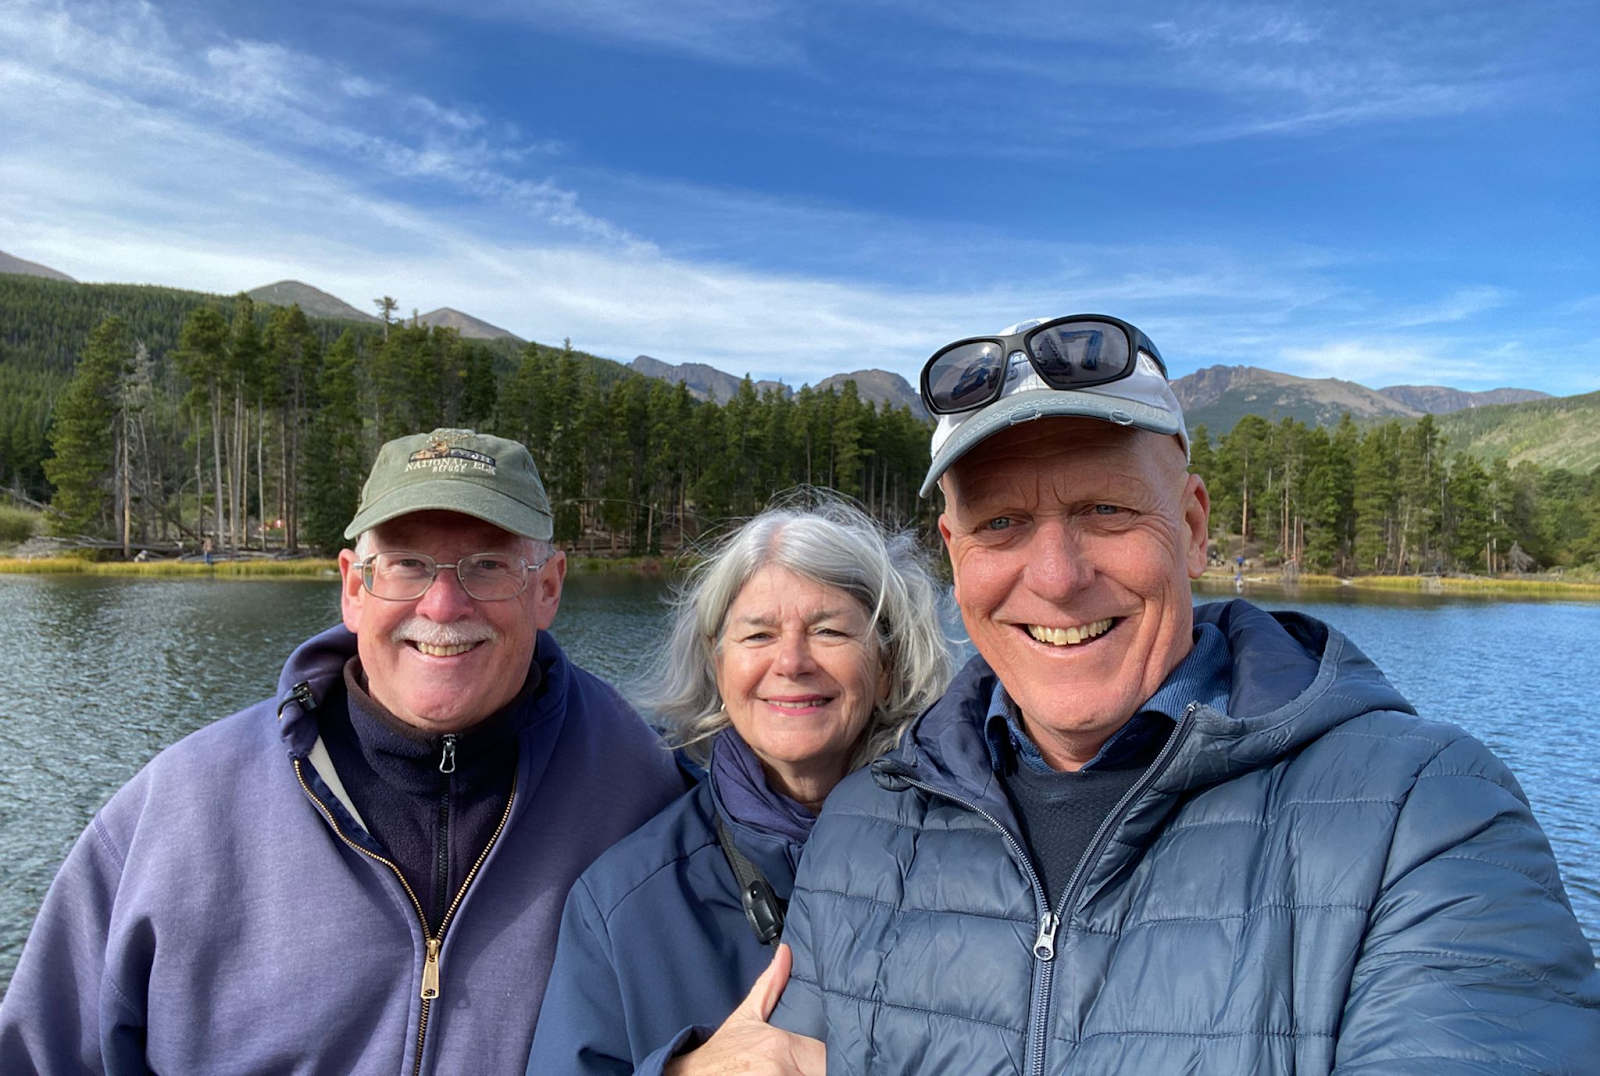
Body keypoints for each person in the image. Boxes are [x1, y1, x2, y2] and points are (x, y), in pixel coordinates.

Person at [771, 315, 1600, 1071]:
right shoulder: (864, 827)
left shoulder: (1427, 815)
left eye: (1105, 509)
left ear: (1193, 528)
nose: (1056, 578)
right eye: (1000, 524)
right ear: (955, 555)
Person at [0, 428, 684, 1075]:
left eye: (488, 566)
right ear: (355, 588)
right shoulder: (176, 809)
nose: (443, 605)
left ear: (548, 588)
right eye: (407, 564)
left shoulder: (643, 789)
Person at [528, 494, 951, 1076]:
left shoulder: (975, 862)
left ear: (886, 668)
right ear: (717, 664)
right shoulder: (624, 903)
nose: (792, 662)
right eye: (758, 636)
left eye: (829, 630)